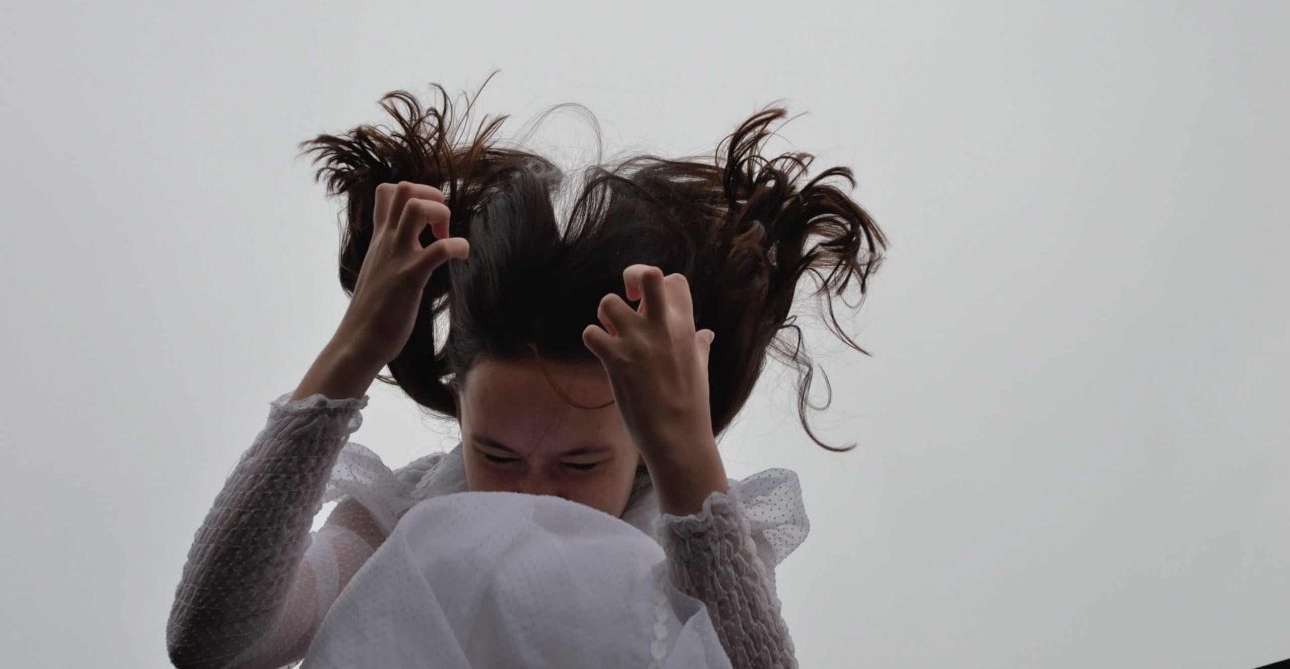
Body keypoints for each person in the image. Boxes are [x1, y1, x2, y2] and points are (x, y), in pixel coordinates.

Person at [166, 80, 889, 668]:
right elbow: (215, 644)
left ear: (643, 442)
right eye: (497, 455)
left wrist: (689, 458)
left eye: (580, 462)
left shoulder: (689, 543)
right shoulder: (403, 514)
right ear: (461, 409)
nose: (533, 494)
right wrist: (349, 356)